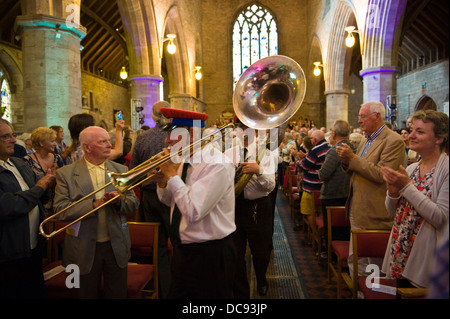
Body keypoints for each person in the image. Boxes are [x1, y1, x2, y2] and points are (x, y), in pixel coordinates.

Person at [154, 107, 236, 299]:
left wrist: (172, 175)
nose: (166, 141)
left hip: (210, 255)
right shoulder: (184, 159)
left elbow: (193, 211)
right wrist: (162, 181)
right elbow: (169, 201)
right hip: (185, 251)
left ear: (190, 133)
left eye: (171, 134)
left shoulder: (217, 164)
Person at [53, 126, 139, 299]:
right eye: (103, 142)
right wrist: (94, 204)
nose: (110, 144)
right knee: (84, 293)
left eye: (109, 140)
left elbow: (133, 204)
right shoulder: (66, 174)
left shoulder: (121, 170)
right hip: (81, 246)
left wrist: (119, 202)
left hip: (115, 244)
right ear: (87, 147)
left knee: (117, 293)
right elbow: (60, 210)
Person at [336, 100, 406, 277]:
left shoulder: (393, 140)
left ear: (377, 117)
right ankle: (358, 293)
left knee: (373, 265)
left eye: (362, 116)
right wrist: (346, 162)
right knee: (356, 259)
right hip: (357, 207)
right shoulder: (366, 140)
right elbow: (357, 169)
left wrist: (352, 158)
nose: (359, 121)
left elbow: (382, 174)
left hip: (374, 212)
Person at [380, 110, 449, 289]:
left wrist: (406, 187)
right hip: (401, 248)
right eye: (412, 130)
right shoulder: (412, 169)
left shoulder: (446, 169)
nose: (411, 136)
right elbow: (394, 212)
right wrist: (392, 193)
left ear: (439, 138)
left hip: (424, 254)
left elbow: (440, 218)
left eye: (420, 131)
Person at [0, 119, 56, 299]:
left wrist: (49, 185)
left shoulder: (18, 163)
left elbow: (37, 199)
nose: (13, 140)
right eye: (6, 137)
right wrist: (39, 187)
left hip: (32, 247)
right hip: (10, 251)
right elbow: (8, 206)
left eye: (13, 135)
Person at [224, 117, 276, 298]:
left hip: (258, 207)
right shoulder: (229, 153)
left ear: (256, 131)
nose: (243, 131)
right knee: (236, 252)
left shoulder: (266, 154)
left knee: (260, 250)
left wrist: (259, 171)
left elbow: (270, 186)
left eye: (247, 127)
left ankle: (261, 278)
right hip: (235, 206)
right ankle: (240, 289)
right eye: (240, 127)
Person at [129, 101, 172, 298]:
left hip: (149, 197)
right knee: (180, 242)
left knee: (159, 246)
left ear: (153, 117)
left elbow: (134, 172)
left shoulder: (143, 138)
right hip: (174, 195)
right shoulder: (180, 136)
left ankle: (163, 290)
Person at [318, 120, 355, 245]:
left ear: (334, 133)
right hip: (349, 194)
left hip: (333, 195)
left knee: (332, 231)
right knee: (345, 231)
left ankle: (331, 257)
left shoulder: (335, 150)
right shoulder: (354, 147)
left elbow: (323, 174)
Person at [23, 127, 64, 217]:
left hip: (56, 205)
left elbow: (64, 181)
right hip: (37, 205)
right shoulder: (27, 161)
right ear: (41, 143)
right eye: (52, 141)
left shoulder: (57, 158)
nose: (54, 144)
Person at [298, 129, 330, 226]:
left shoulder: (315, 150)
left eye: (311, 138)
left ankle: (314, 235)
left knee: (309, 212)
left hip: (312, 187)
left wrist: (301, 160)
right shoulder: (329, 147)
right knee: (320, 212)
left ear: (315, 139)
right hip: (324, 186)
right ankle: (320, 234)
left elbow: (304, 166)